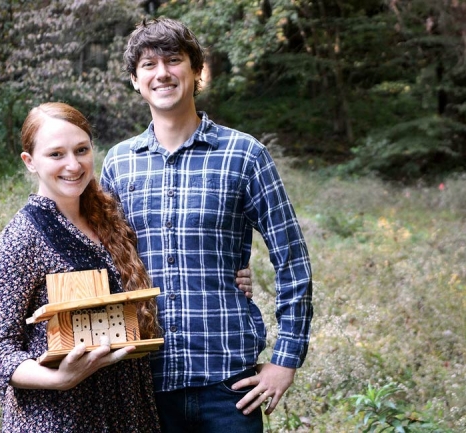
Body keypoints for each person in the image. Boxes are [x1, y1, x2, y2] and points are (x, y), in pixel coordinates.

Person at [100, 17, 313, 433]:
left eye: (174, 60)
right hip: (147, 381)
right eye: (148, 64)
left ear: (197, 71)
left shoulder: (245, 155)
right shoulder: (118, 164)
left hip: (228, 385)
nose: (162, 73)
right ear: (134, 80)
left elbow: (292, 259)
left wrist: (285, 359)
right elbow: (106, 263)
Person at [0, 102, 162, 432]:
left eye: (81, 150)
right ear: (29, 161)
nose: (73, 165)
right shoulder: (23, 237)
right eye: (56, 154)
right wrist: (58, 378)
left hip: (125, 412)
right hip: (60, 419)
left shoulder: (109, 220)